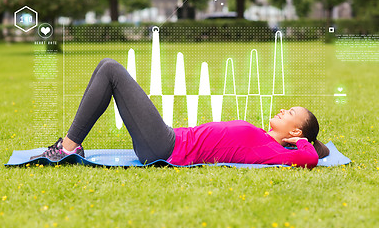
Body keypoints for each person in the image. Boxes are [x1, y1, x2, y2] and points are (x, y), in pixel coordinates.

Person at [30, 58, 329, 169]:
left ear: (295, 131)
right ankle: (71, 145)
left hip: (166, 148)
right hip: (168, 137)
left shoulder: (273, 151)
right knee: (103, 69)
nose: (281, 109)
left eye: (289, 112)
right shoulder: (265, 139)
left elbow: (309, 157)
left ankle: (66, 148)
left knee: (111, 70)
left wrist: (303, 144)